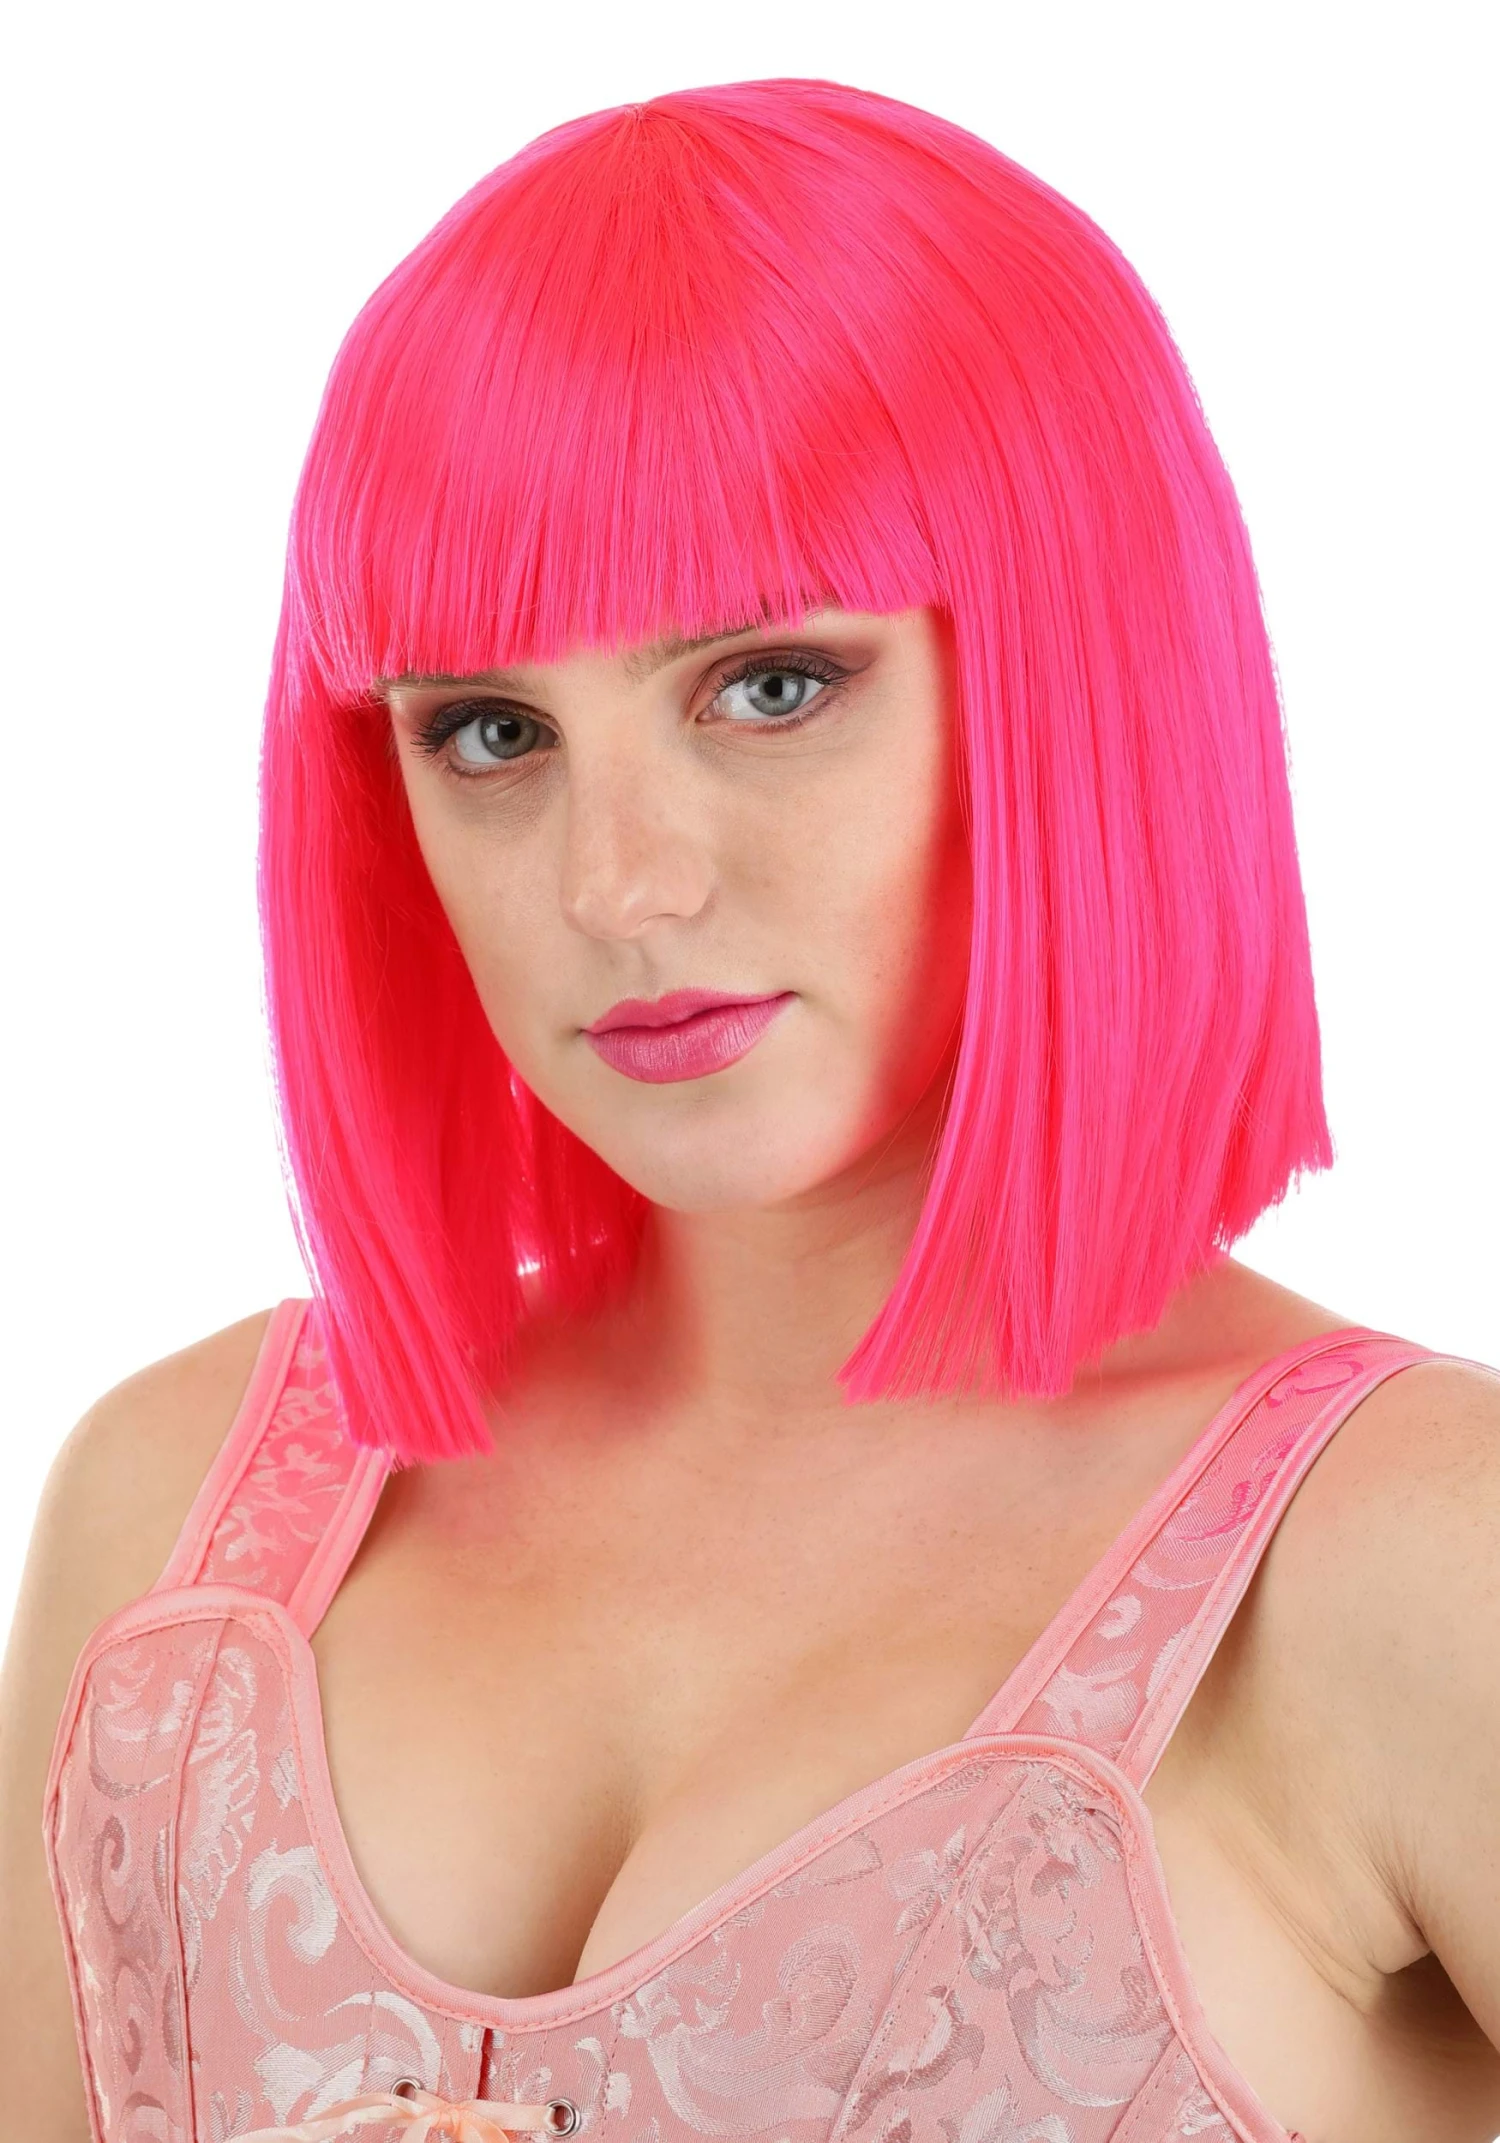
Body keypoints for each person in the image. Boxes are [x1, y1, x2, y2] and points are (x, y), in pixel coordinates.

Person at [1, 75, 1496, 2143]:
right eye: (490, 730)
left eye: (772, 684)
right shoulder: (173, 1520)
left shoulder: (1416, 1559)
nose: (617, 885)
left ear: (1078, 670)